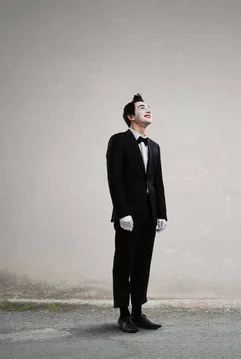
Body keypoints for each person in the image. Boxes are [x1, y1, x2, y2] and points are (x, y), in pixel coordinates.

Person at [106, 93, 168, 333]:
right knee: (124, 263)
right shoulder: (118, 141)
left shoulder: (154, 146)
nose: (148, 110)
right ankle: (123, 314)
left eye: (149, 107)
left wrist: (161, 213)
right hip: (128, 215)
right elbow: (115, 179)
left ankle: (138, 312)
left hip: (149, 214)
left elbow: (158, 183)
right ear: (131, 116)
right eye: (142, 107)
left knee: (143, 263)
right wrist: (123, 212)